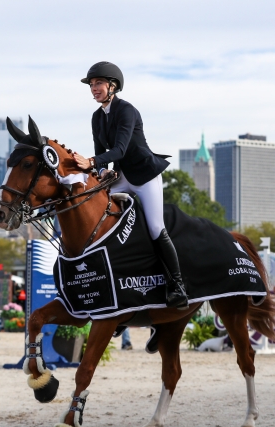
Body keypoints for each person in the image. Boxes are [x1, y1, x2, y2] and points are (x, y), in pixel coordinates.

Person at [72, 61, 188, 310]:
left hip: (145, 175)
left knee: (156, 228)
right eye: (91, 85)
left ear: (112, 86)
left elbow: (120, 149)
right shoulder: (96, 117)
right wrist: (101, 171)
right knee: (97, 212)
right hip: (122, 176)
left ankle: (177, 286)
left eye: (98, 83)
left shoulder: (127, 110)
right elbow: (100, 152)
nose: (94, 88)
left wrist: (91, 162)